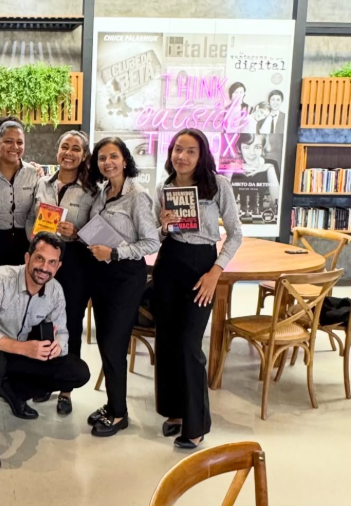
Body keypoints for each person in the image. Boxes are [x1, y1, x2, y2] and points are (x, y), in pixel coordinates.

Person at [0, 232, 91, 470]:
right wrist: (24, 349)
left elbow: (63, 332)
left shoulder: (55, 291)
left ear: (58, 266)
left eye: (52, 262)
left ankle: (13, 391)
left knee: (77, 372)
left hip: (20, 351)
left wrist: (57, 346)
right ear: (27, 257)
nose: (44, 267)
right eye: (40, 258)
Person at [153, 128, 242, 449]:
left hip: (203, 264)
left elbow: (235, 234)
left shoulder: (217, 185)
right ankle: (175, 412)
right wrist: (163, 226)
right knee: (167, 341)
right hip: (169, 262)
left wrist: (215, 272)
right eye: (178, 149)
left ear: (202, 155)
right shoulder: (164, 187)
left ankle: (196, 425)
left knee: (190, 345)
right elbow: (154, 235)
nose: (183, 156)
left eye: (191, 151)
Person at [84, 137, 160, 437]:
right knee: (105, 341)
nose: (108, 163)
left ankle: (119, 414)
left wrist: (114, 253)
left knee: (115, 344)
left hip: (126, 277)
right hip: (101, 275)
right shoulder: (103, 192)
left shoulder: (137, 196)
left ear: (125, 160)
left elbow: (151, 242)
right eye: (102, 158)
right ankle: (111, 404)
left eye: (113, 156)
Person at [26, 130, 96, 415]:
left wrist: (78, 233)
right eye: (65, 147)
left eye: (76, 149)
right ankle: (45, 380)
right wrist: (32, 236)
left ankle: (66, 388)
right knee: (39, 317)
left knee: (71, 321)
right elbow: (31, 217)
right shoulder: (43, 183)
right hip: (43, 261)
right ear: (57, 151)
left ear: (84, 155)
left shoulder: (92, 190)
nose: (69, 153)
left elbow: (98, 230)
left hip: (75, 262)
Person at [0, 120, 39, 281]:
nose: (15, 147)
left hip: (24, 244)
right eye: (8, 141)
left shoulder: (33, 173)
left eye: (20, 142)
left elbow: (37, 210)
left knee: (20, 290)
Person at [229, 134, 280, 218]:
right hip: (235, 219)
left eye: (257, 147)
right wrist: (229, 171)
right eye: (246, 147)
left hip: (263, 219)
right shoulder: (230, 166)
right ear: (239, 148)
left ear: (262, 149)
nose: (252, 152)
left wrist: (270, 168)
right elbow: (222, 203)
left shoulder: (271, 165)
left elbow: (276, 204)